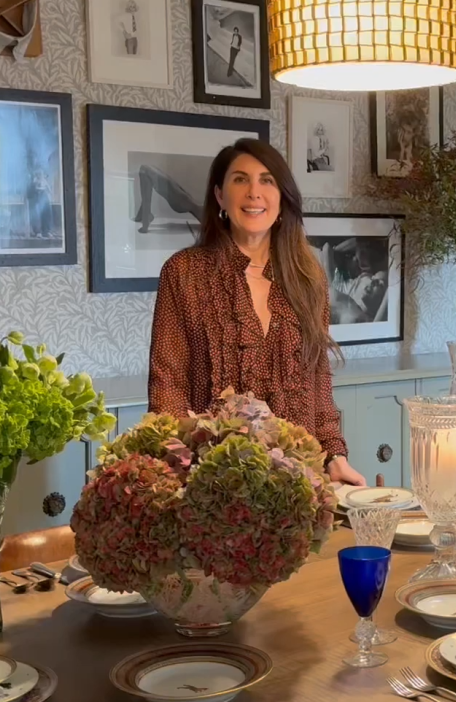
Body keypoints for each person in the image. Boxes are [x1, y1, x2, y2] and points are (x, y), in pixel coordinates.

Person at [149, 139, 366, 486]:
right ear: (220, 196)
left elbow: (318, 382)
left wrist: (335, 456)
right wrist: (182, 465)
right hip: (216, 483)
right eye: (240, 180)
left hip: (299, 481)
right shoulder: (183, 273)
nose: (254, 192)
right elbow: (168, 383)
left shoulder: (308, 277)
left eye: (267, 180)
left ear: (282, 198)